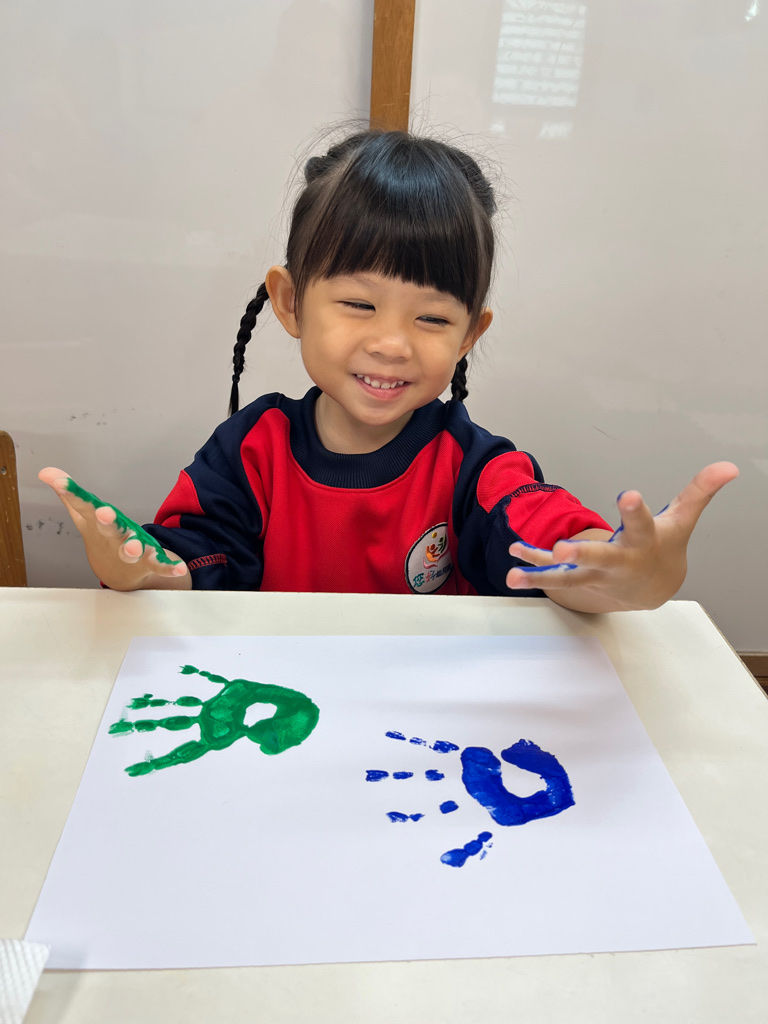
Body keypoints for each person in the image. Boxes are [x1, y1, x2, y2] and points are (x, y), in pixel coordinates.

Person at [39, 126, 737, 613]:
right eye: (358, 304)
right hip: (280, 712)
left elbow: (544, 538)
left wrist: (622, 569)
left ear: (470, 334)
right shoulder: (252, 450)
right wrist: (146, 569)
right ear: (290, 302)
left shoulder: (473, 465)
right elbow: (197, 558)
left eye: (431, 318)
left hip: (425, 731)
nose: (393, 343)